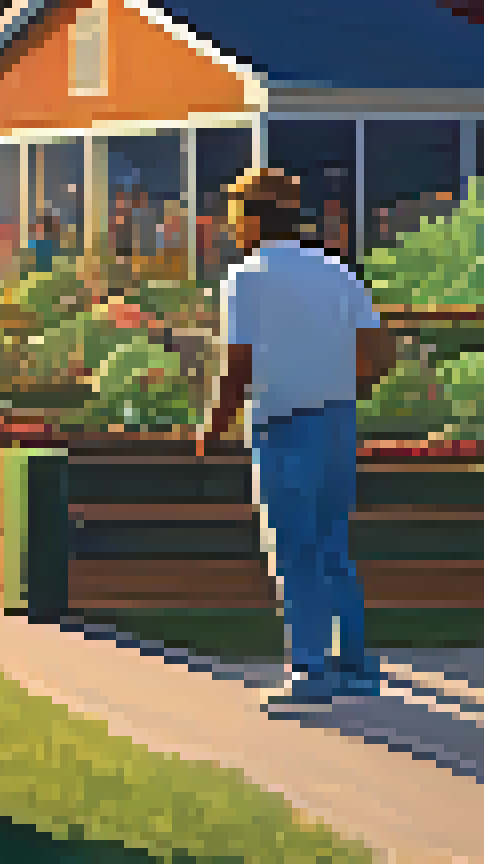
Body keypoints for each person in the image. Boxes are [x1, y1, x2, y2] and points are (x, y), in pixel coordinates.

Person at [198, 167, 397, 711]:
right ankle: (354, 667)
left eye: (236, 214)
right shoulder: (337, 272)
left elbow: (238, 363)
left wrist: (214, 426)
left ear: (256, 218)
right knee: (333, 544)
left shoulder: (248, 277)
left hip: (283, 423)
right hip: (338, 421)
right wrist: (340, 385)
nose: (232, 226)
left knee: (294, 549)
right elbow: (380, 355)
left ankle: (309, 670)